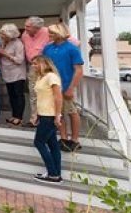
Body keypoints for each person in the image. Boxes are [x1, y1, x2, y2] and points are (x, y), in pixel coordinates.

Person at [43, 23, 84, 152]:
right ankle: (64, 138)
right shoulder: (47, 49)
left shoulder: (72, 49)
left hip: (66, 86)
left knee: (72, 112)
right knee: (58, 114)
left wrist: (71, 88)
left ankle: (75, 139)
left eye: (52, 33)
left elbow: (78, 71)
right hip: (51, 87)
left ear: (59, 33)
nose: (49, 35)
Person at [30, 55, 63, 184]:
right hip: (43, 114)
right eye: (33, 64)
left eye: (35, 64)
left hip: (50, 115)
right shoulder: (40, 77)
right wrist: (37, 114)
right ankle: (56, 174)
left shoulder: (51, 77)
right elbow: (41, 98)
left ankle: (53, 173)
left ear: (43, 64)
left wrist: (58, 115)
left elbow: (58, 97)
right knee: (53, 144)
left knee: (39, 142)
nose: (33, 66)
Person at [21, 16, 49, 125]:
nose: (25, 28)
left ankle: (49, 120)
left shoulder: (47, 32)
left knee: (46, 93)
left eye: (28, 26)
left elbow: (73, 42)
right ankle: (34, 119)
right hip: (32, 67)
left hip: (46, 67)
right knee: (33, 93)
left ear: (37, 27)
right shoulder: (24, 35)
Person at [0, 24, 27, 126]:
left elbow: (19, 60)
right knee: (11, 96)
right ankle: (14, 115)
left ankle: (19, 117)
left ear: (10, 34)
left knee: (18, 95)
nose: (0, 35)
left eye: (3, 33)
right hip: (7, 73)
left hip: (17, 73)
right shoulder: (2, 42)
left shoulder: (18, 44)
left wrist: (4, 53)